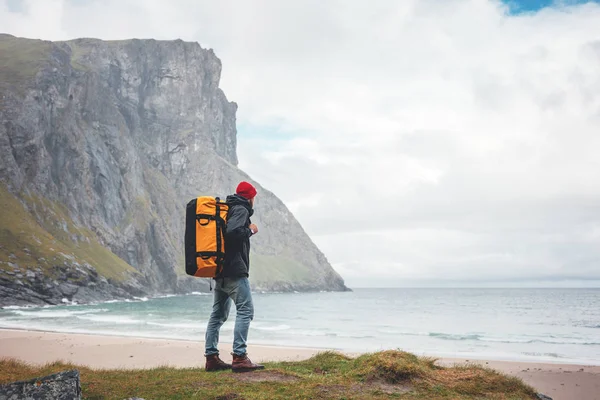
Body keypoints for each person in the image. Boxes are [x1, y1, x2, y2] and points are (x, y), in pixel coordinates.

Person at [204, 181, 265, 373]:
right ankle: (240, 357)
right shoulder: (241, 209)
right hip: (234, 272)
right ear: (250, 197)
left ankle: (211, 358)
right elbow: (232, 232)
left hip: (219, 272)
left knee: (218, 315)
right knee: (246, 310)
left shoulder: (228, 208)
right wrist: (251, 230)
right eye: (254, 196)